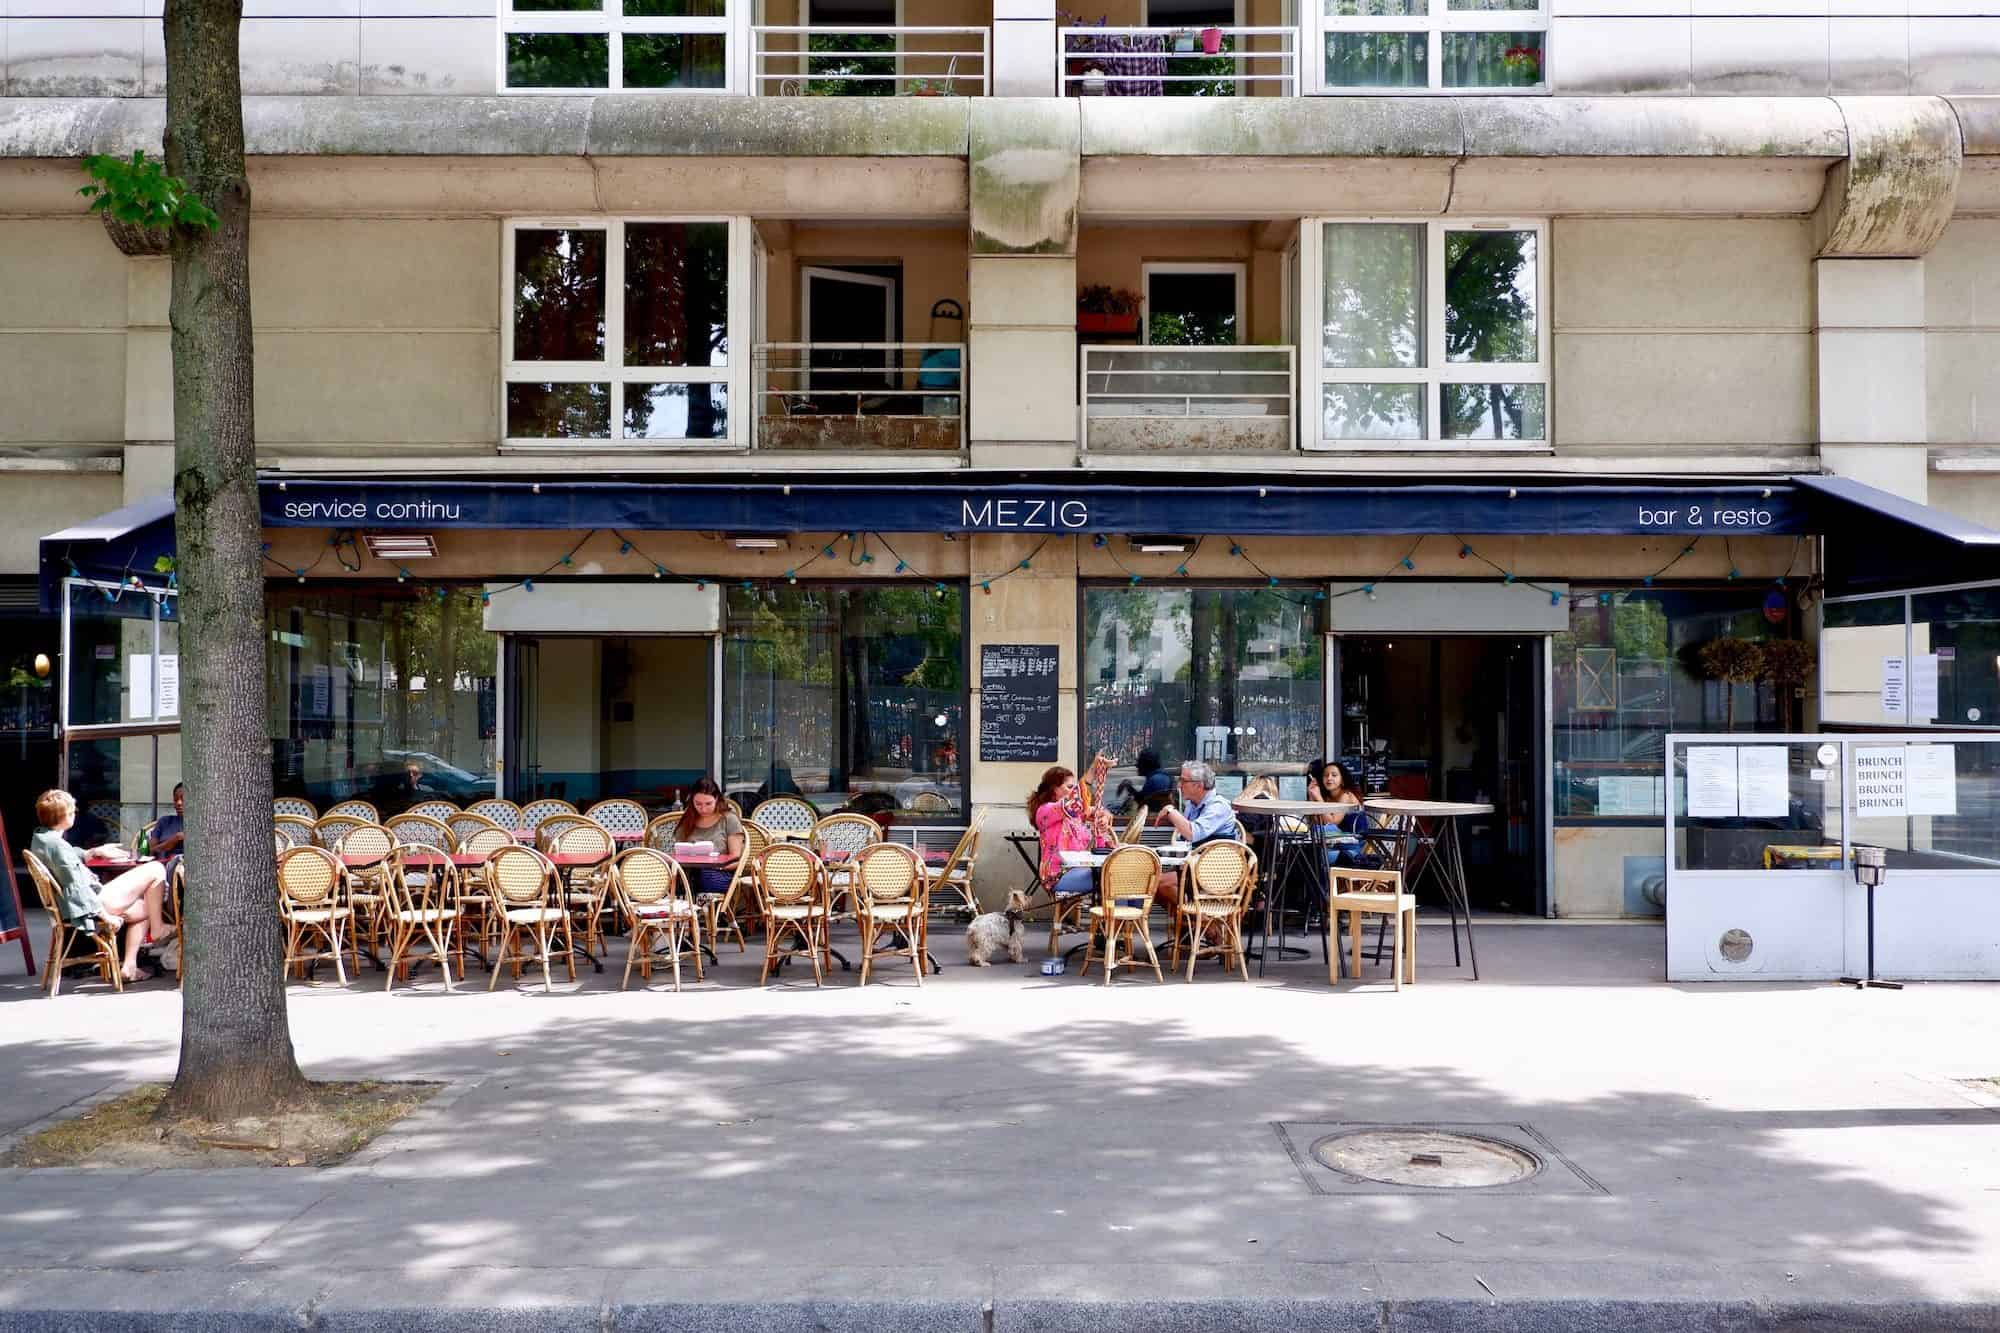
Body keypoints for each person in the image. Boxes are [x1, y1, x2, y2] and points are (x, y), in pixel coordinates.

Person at [30, 789, 173, 983]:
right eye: (72, 812)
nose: (75, 814)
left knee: (147, 906)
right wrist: (105, 917)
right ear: (65, 816)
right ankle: (158, 929)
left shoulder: (43, 839)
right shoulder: (58, 847)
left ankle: (129, 966)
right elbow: (77, 887)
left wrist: (96, 851)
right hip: (94, 904)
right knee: (155, 868)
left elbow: (70, 856)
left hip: (78, 904)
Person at [1151, 761, 1245, 915]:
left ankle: (1204, 928)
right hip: (1195, 869)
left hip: (1217, 873)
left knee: (1158, 884)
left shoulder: (1218, 806)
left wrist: (1170, 811)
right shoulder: (1192, 805)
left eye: (1183, 781)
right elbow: (1185, 840)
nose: (1179, 785)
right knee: (1151, 882)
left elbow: (1192, 833)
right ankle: (1194, 928)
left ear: (1198, 785)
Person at [1028, 766, 1113, 906]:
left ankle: (1126, 922)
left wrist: (1104, 818)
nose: (1073, 791)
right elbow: (1074, 802)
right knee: (1113, 878)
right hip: (1058, 876)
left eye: (1074, 788)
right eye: (1069, 787)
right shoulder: (1045, 811)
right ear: (1054, 789)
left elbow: (1099, 811)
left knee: (1126, 877)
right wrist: (1092, 770)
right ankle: (1116, 922)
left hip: (1081, 869)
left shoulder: (1076, 814)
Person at [673, 777, 746, 899]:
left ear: (717, 799)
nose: (703, 809)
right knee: (672, 875)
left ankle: (690, 905)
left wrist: (717, 864)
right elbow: (678, 851)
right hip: (689, 872)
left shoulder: (728, 819)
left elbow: (736, 857)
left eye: (708, 804)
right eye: (698, 804)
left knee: (701, 876)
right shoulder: (688, 819)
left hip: (719, 873)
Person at [147, 783, 186, 880]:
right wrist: (175, 839)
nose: (179, 803)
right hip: (161, 871)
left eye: (183, 799)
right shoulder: (165, 822)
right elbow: (151, 850)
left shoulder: (199, 825)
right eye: (175, 799)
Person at [1116, 748, 1173, 815]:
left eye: (1139, 762)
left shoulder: (1155, 780)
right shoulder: (1165, 776)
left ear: (1146, 764)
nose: (1137, 766)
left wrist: (1128, 787)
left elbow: (1141, 802)